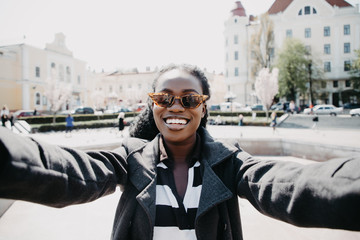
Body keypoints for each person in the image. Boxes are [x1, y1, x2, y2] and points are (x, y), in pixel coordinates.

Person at [0, 64, 359, 240]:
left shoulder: (229, 163)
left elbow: (284, 184)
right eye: (164, 98)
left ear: (203, 107)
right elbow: (71, 173)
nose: (176, 107)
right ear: (151, 104)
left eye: (189, 99)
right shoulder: (130, 158)